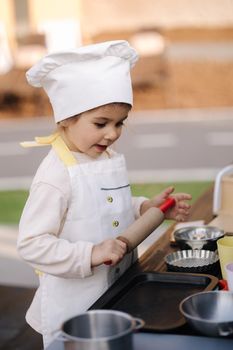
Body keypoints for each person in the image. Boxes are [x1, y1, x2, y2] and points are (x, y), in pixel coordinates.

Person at [17, 40, 191, 347]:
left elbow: (107, 204)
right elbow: (32, 244)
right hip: (76, 307)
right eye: (101, 123)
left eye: (120, 123)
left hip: (119, 288)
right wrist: (91, 254)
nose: (112, 134)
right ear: (66, 120)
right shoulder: (55, 176)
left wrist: (145, 208)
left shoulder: (105, 157)